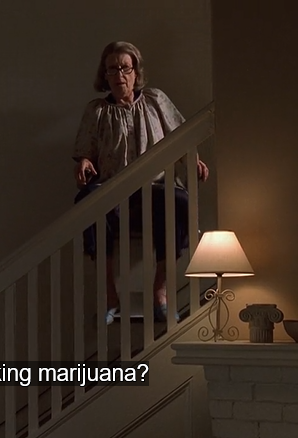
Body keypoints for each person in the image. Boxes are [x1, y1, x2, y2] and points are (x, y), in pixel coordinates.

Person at [71, 41, 209, 325]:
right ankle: (110, 296)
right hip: (112, 189)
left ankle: (161, 292)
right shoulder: (97, 110)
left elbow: (181, 137)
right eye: (112, 69)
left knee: (179, 201)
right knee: (87, 202)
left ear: (135, 72)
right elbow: (86, 150)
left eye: (125, 68)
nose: (119, 75)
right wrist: (84, 161)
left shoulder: (155, 100)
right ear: (105, 75)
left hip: (155, 187)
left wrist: (193, 160)